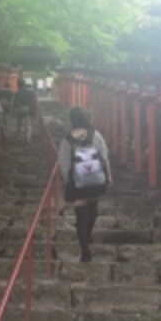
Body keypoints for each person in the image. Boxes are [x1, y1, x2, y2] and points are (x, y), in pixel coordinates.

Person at [57, 107, 112, 262]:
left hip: (78, 182)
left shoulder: (67, 139)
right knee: (93, 213)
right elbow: (104, 156)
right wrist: (109, 176)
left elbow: (64, 163)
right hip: (95, 179)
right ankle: (87, 237)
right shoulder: (95, 135)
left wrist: (69, 181)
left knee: (81, 216)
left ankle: (85, 250)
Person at [13, 78, 37, 143]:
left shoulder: (17, 92)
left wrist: (15, 109)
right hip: (27, 108)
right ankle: (27, 138)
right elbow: (32, 101)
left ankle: (18, 137)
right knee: (28, 124)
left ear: (18, 85)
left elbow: (15, 102)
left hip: (20, 108)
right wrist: (33, 110)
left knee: (19, 123)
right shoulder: (29, 92)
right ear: (24, 84)